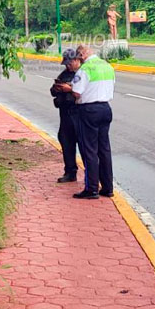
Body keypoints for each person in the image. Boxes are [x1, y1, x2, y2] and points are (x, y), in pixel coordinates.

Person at [55, 44, 115, 199]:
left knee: (89, 151)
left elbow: (76, 92)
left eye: (79, 55)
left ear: (81, 54)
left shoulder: (84, 69)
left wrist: (68, 89)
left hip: (89, 111)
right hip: (106, 109)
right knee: (104, 150)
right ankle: (108, 188)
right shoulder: (107, 66)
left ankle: (92, 189)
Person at [50, 48, 80, 183]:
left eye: (69, 63)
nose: (67, 66)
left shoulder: (83, 73)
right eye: (66, 64)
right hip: (65, 114)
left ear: (76, 60)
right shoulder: (65, 74)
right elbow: (52, 90)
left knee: (85, 146)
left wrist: (70, 89)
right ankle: (70, 172)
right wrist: (57, 88)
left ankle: (91, 175)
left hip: (79, 114)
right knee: (66, 141)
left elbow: (85, 92)